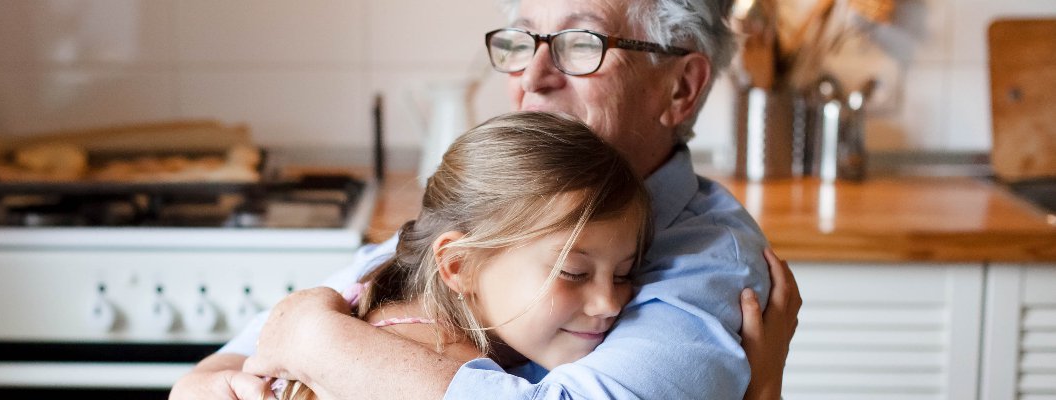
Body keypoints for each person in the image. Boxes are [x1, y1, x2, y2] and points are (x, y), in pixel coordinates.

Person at [172, 0, 802, 398]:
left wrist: (318, 342)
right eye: (522, 41)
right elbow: (208, 376)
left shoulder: (710, 261)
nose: (531, 78)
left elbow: (295, 335)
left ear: (681, 89)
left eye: (583, 44)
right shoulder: (501, 211)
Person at [272, 111, 653, 400]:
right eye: (573, 271)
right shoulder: (430, 363)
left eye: (622, 273)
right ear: (460, 266)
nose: (609, 303)